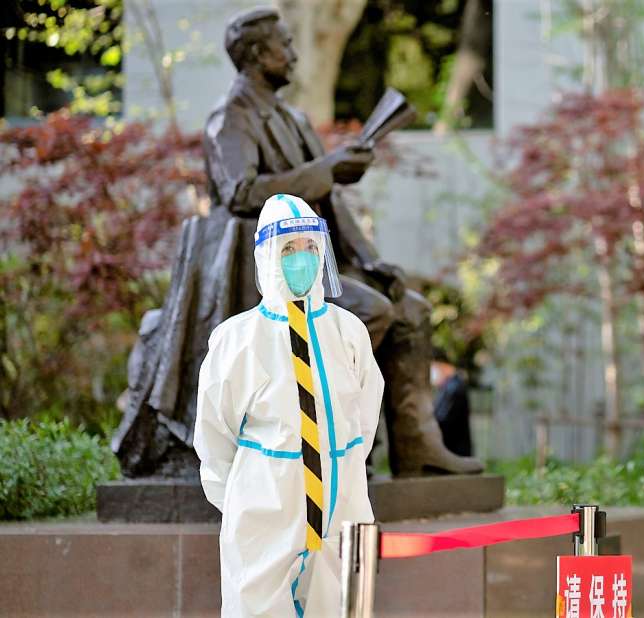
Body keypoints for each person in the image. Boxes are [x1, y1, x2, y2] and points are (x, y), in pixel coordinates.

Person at [114, 7, 481, 478]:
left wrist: (371, 260)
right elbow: (240, 192)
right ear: (254, 55)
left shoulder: (293, 118)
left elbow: (327, 197)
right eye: (283, 45)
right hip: (266, 273)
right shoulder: (230, 118)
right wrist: (325, 170)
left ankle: (417, 447)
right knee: (370, 312)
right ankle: (322, 430)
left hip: (317, 262)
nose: (292, 53)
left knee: (411, 308)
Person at [195, 194, 383, 617]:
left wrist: (341, 467)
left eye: (311, 248)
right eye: (288, 250)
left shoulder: (348, 332)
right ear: (267, 257)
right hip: (265, 511)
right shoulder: (237, 339)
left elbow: (363, 418)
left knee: (339, 606)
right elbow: (214, 436)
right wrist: (250, 496)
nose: (302, 259)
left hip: (341, 507)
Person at [431, 349, 473, 457]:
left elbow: (442, 420)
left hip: (454, 453)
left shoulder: (454, 388)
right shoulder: (449, 387)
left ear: (443, 365)